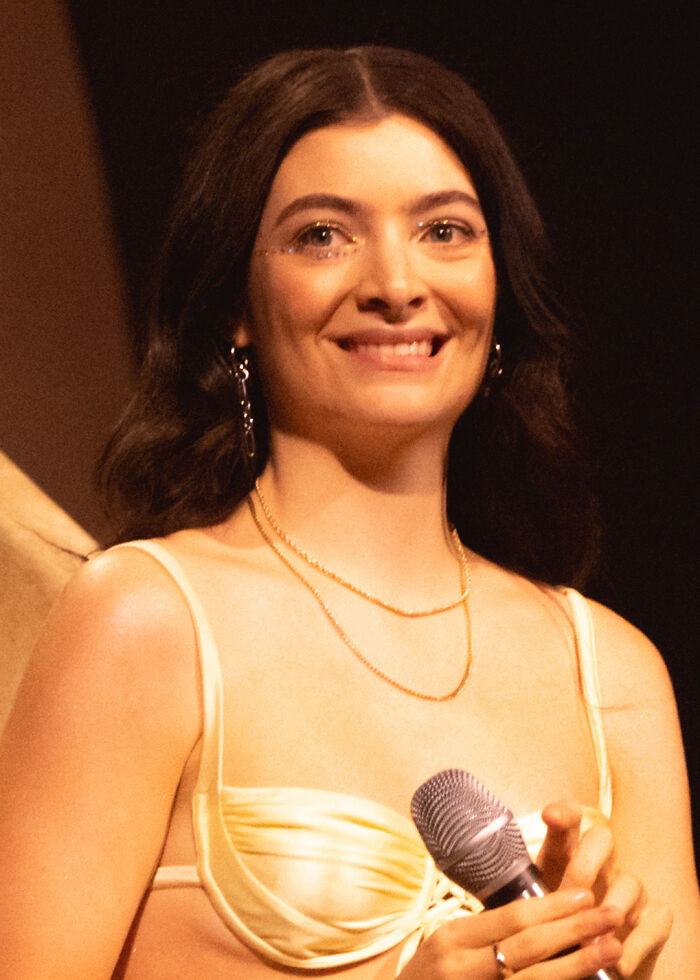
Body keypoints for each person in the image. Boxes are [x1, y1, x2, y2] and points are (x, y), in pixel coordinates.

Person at [0, 46, 697, 980]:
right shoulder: (146, 621)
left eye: (445, 231)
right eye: (323, 235)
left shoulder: (611, 671)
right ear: (234, 308)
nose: (397, 283)